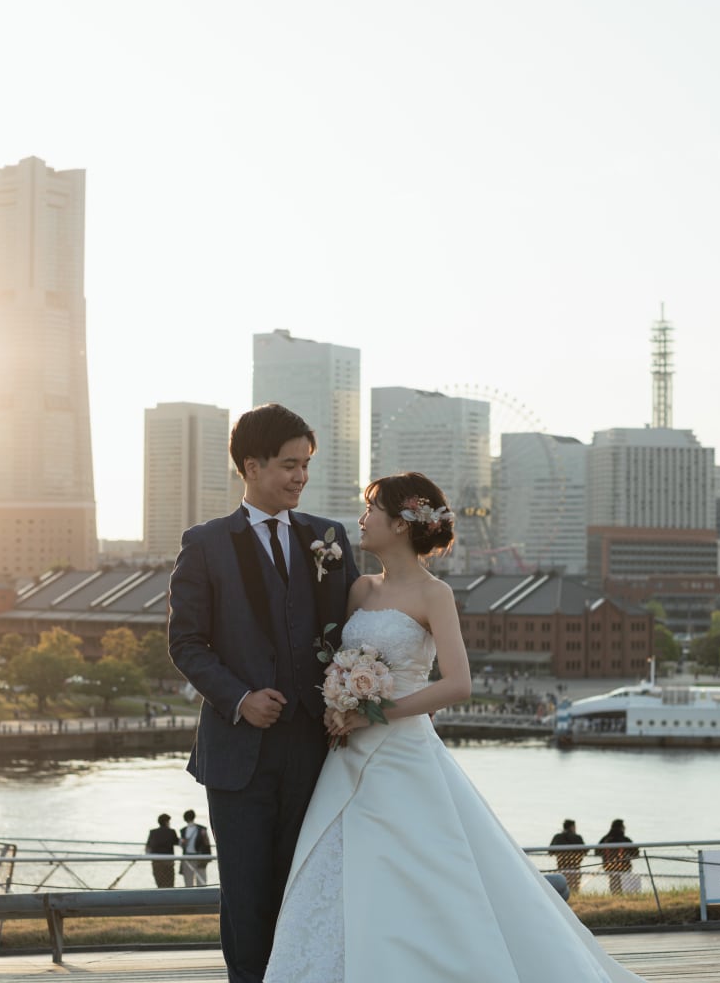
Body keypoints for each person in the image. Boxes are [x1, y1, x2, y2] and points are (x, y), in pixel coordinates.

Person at [264, 472, 646, 982]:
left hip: (402, 753)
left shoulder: (434, 594)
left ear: (401, 524)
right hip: (348, 755)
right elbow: (336, 660)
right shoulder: (358, 588)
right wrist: (338, 703)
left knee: (427, 874)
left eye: (372, 510)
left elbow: (458, 684)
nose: (362, 519)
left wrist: (374, 711)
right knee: (335, 870)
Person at [168, 403, 359, 983]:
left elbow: (353, 632)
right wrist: (239, 697)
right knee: (247, 897)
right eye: (288, 465)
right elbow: (186, 644)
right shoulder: (204, 544)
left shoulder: (330, 537)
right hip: (238, 756)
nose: (300, 476)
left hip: (315, 748)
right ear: (250, 466)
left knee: (306, 889)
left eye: (305, 465)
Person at [599, 818, 639, 896]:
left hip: (609, 866)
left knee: (613, 883)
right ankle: (623, 897)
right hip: (624, 867)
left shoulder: (605, 839)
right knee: (625, 885)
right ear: (621, 828)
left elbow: (597, 851)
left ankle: (615, 896)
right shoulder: (625, 840)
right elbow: (635, 853)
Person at [550, 818, 589, 895]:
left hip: (561, 866)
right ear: (571, 827)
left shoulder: (557, 837)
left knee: (562, 888)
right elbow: (584, 850)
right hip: (574, 866)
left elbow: (551, 851)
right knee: (574, 889)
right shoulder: (577, 838)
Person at [145, 813, 179, 888]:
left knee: (159, 882)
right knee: (169, 883)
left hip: (156, 861)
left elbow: (148, 846)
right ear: (166, 822)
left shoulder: (153, 832)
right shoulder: (171, 832)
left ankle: (161, 897)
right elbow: (177, 842)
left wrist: (147, 855)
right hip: (168, 861)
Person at [179, 808, 212, 887]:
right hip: (198, 857)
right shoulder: (201, 829)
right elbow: (207, 843)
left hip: (190, 856)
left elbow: (182, 845)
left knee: (188, 881)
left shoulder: (184, 830)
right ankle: (201, 897)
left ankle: (190, 897)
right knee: (201, 879)